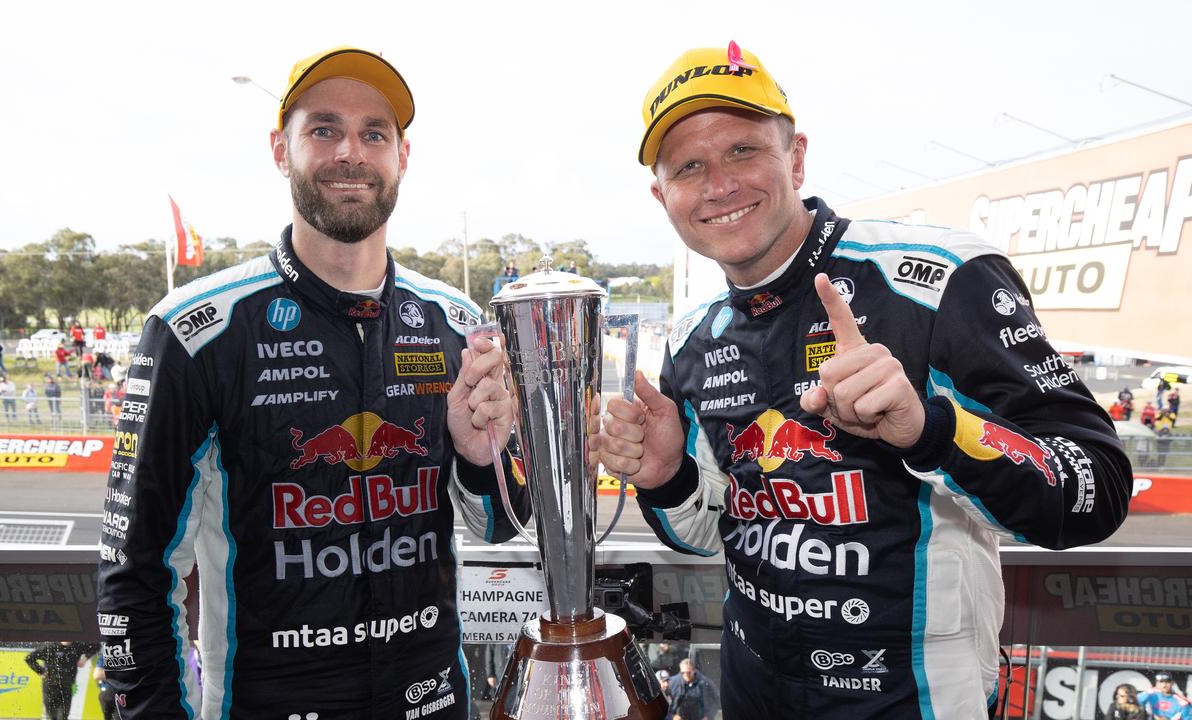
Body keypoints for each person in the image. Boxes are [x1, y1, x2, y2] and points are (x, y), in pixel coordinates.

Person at [600, 41, 1133, 719]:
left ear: (795, 157)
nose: (719, 185)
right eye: (689, 167)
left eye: (742, 151)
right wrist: (669, 475)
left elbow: (1097, 489)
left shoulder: (941, 280)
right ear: (663, 194)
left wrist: (932, 431)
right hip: (750, 692)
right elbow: (709, 535)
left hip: (911, 699)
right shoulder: (692, 334)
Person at [96, 44, 531, 720]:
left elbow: (502, 524)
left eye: (374, 133)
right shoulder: (195, 332)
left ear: (402, 157)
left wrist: (483, 460)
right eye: (323, 129)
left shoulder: (456, 324)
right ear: (281, 149)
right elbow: (134, 574)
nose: (350, 152)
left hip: (431, 702)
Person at [25, 641, 92, 720]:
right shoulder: (50, 647)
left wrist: (85, 657)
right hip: (51, 686)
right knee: (52, 715)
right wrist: (41, 671)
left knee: (63, 716)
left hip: (66, 686)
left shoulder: (77, 646)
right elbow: (29, 658)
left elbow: (95, 646)